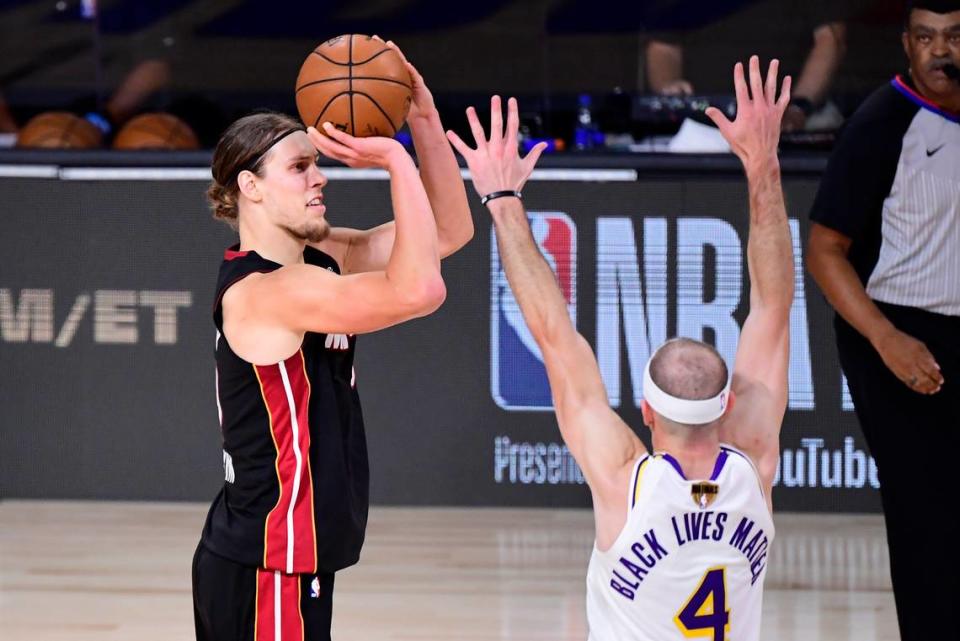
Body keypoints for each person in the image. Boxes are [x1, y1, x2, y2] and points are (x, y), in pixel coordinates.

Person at [448, 56, 792, 641]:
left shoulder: (624, 481)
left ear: (648, 410)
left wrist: (502, 198)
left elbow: (553, 334)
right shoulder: (753, 463)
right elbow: (774, 306)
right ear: (727, 403)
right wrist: (763, 164)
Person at [192, 40, 472, 641]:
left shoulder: (324, 256)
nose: (321, 178)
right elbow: (420, 290)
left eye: (317, 163)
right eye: (300, 167)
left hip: (292, 557)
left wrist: (421, 119)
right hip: (266, 564)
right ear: (251, 186)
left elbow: (449, 229)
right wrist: (397, 163)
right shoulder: (266, 291)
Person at [805, 2, 959, 639]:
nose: (938, 51)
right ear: (906, 46)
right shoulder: (881, 123)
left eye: (952, 36)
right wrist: (887, 340)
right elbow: (823, 250)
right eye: (924, 37)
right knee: (926, 520)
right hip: (900, 335)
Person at [645, 0, 847, 131]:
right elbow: (664, 46)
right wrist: (670, 88)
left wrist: (799, 107)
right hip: (704, 129)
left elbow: (830, 40)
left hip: (792, 128)